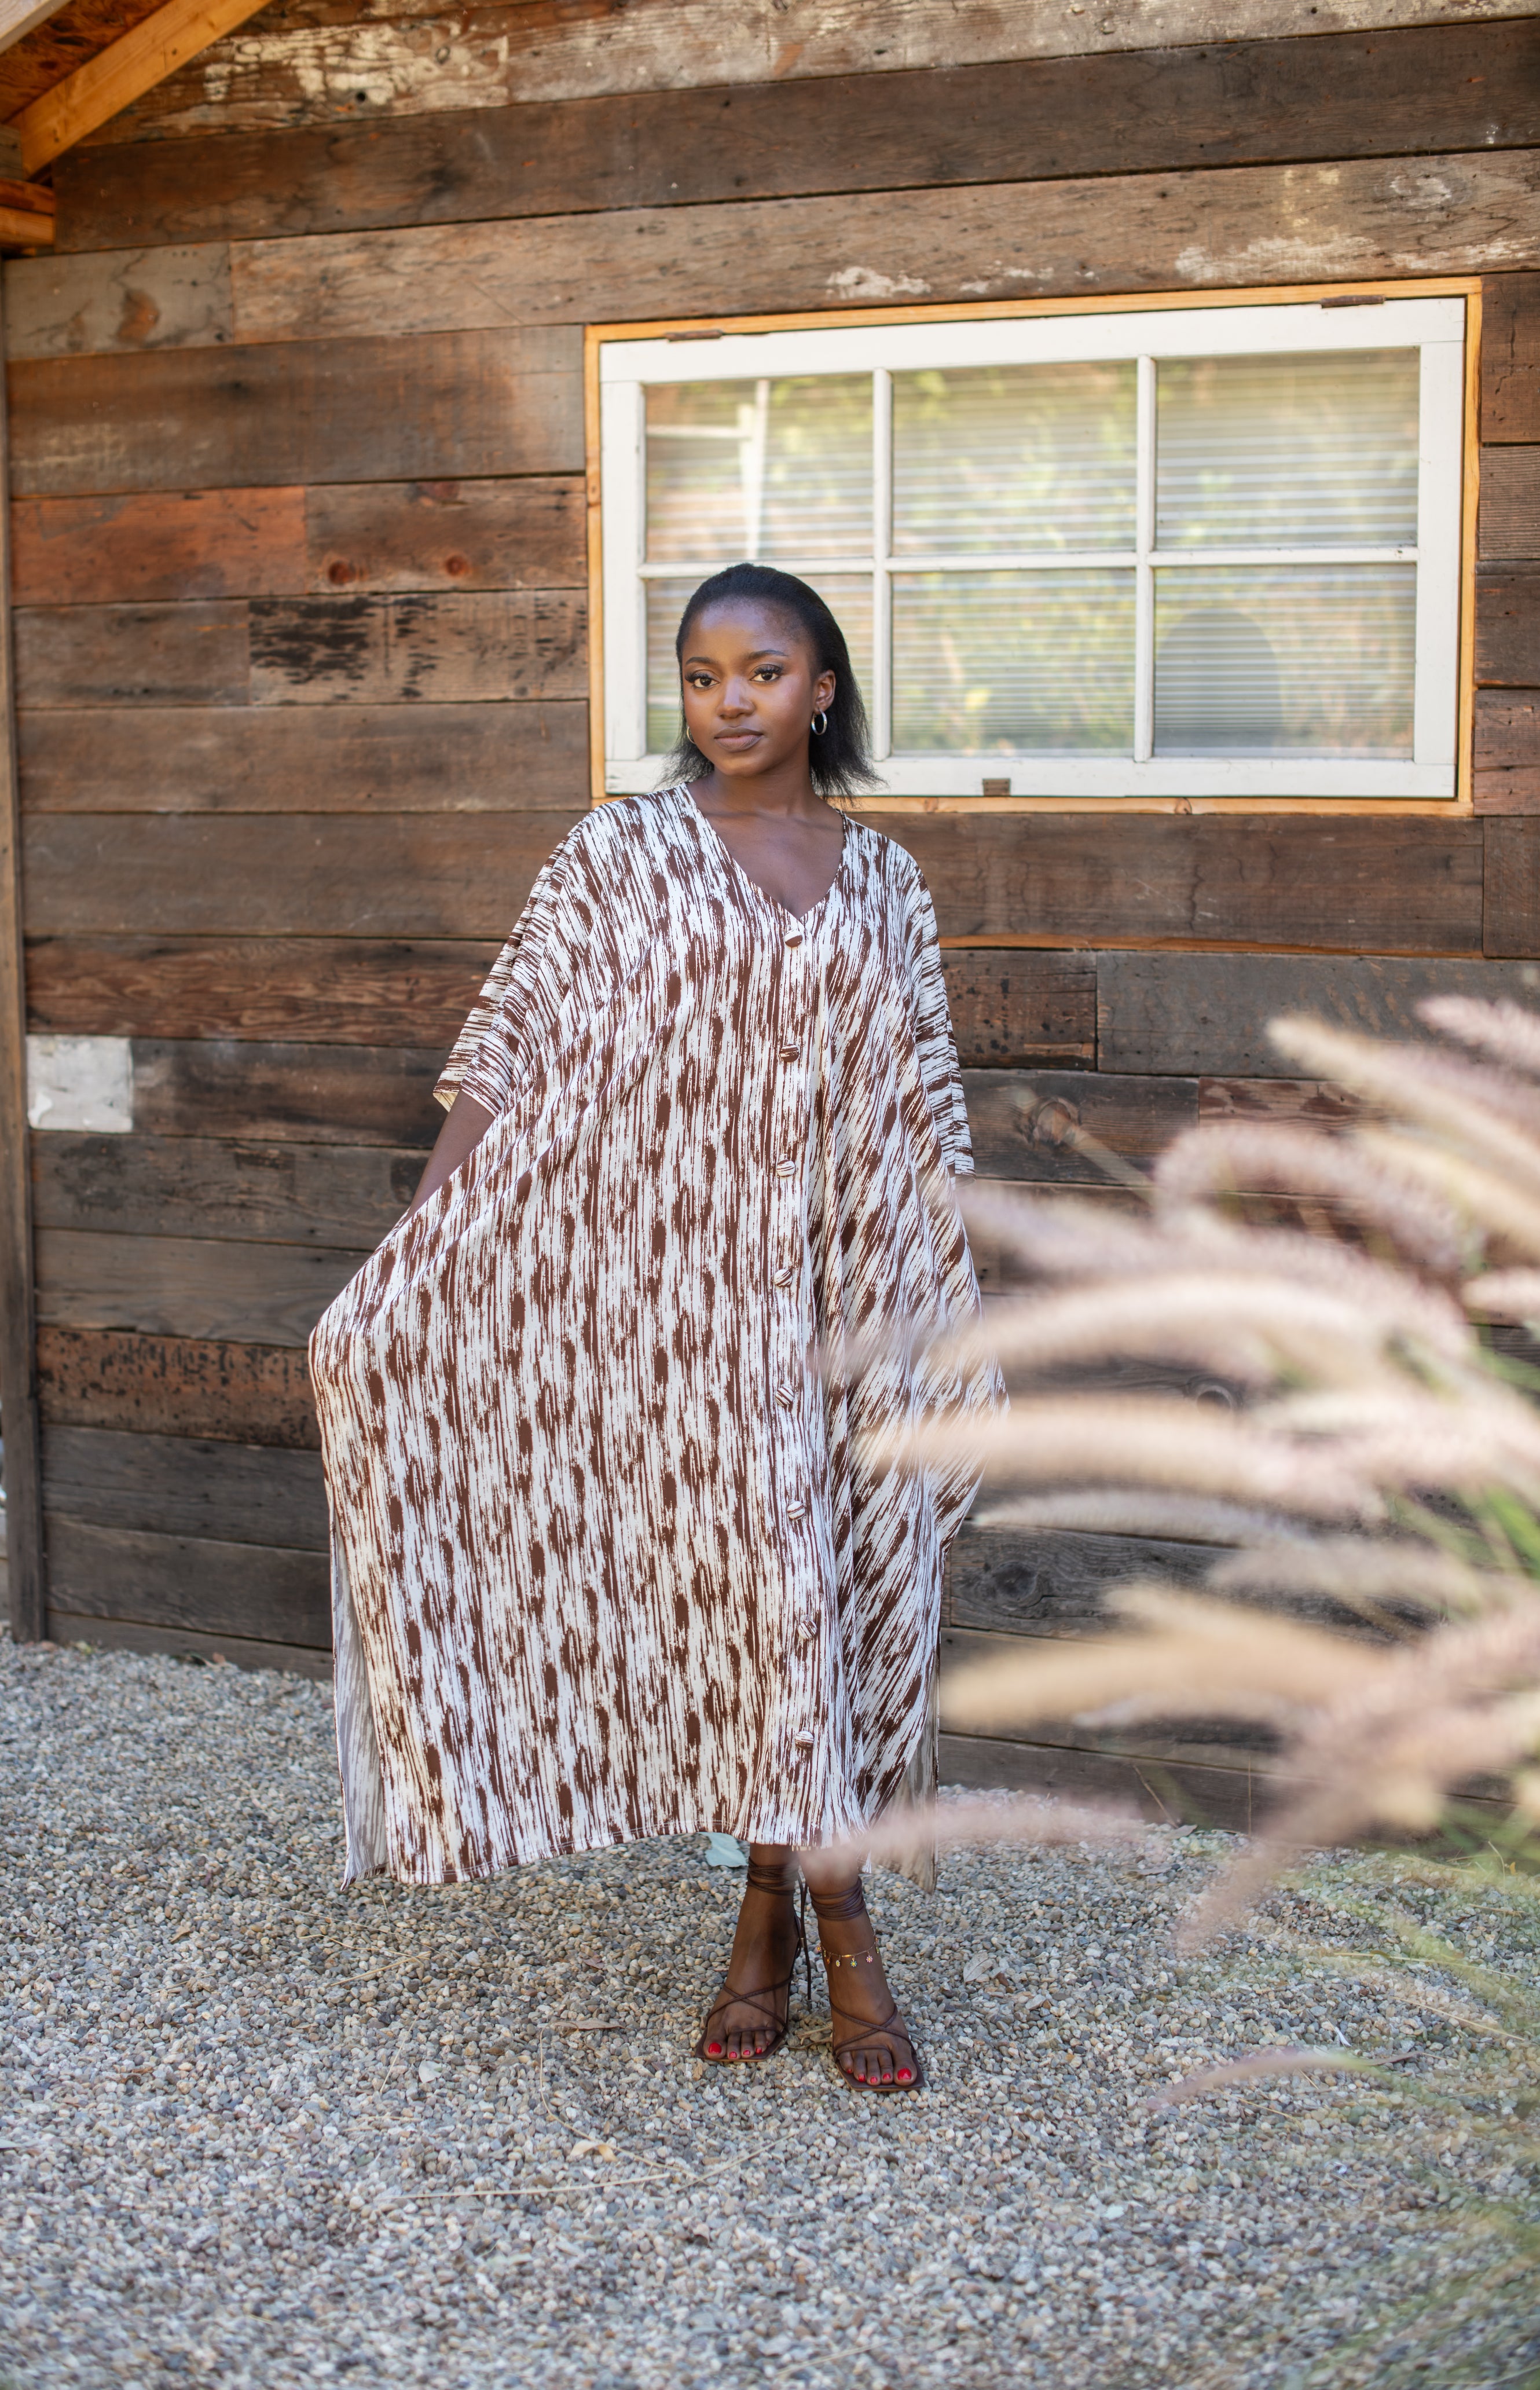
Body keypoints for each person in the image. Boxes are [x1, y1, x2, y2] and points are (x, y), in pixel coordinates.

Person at [310, 563, 998, 2094]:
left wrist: (946, 1294)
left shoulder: (886, 881)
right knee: (759, 1612)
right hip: (676, 1321)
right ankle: (837, 1925)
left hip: (842, 1302)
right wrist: (418, 1250)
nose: (729, 702)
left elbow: (925, 1101)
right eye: (701, 676)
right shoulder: (616, 854)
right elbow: (506, 1055)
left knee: (828, 1600)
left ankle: (767, 1914)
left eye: (763, 671)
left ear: (822, 687)